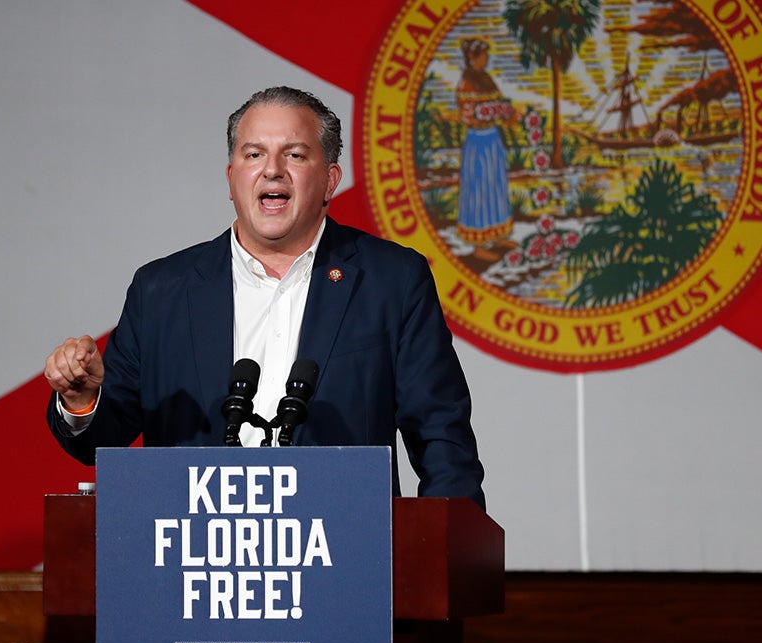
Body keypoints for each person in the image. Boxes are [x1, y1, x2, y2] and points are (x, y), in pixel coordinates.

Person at [43, 86, 485, 509]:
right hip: (199, 548)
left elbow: (442, 438)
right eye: (253, 154)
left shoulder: (390, 280)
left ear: (330, 180)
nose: (272, 170)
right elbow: (101, 440)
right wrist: (82, 401)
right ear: (231, 178)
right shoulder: (161, 291)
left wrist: (443, 548)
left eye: (295, 155)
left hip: (343, 544)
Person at [456, 38, 515, 260]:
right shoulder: (466, 82)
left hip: (492, 139)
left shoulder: (487, 79)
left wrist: (506, 114)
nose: (486, 58)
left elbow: (499, 105)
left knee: (496, 186)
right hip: (478, 141)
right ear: (473, 57)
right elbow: (467, 114)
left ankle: (498, 235)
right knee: (479, 190)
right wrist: (486, 115)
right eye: (483, 55)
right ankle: (479, 246)